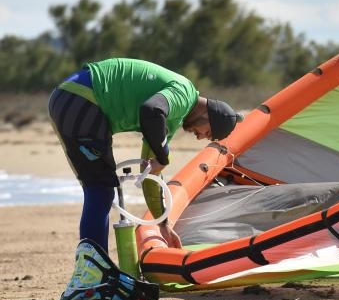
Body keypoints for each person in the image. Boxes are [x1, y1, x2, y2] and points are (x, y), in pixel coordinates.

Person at [48, 58, 244, 253]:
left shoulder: (171, 118)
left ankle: (95, 267)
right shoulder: (184, 93)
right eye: (207, 132)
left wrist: (163, 224)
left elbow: (149, 174)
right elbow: (151, 110)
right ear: (209, 116)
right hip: (81, 98)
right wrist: (164, 155)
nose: (200, 137)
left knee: (101, 190)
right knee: (100, 190)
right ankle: (94, 270)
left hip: (73, 99)